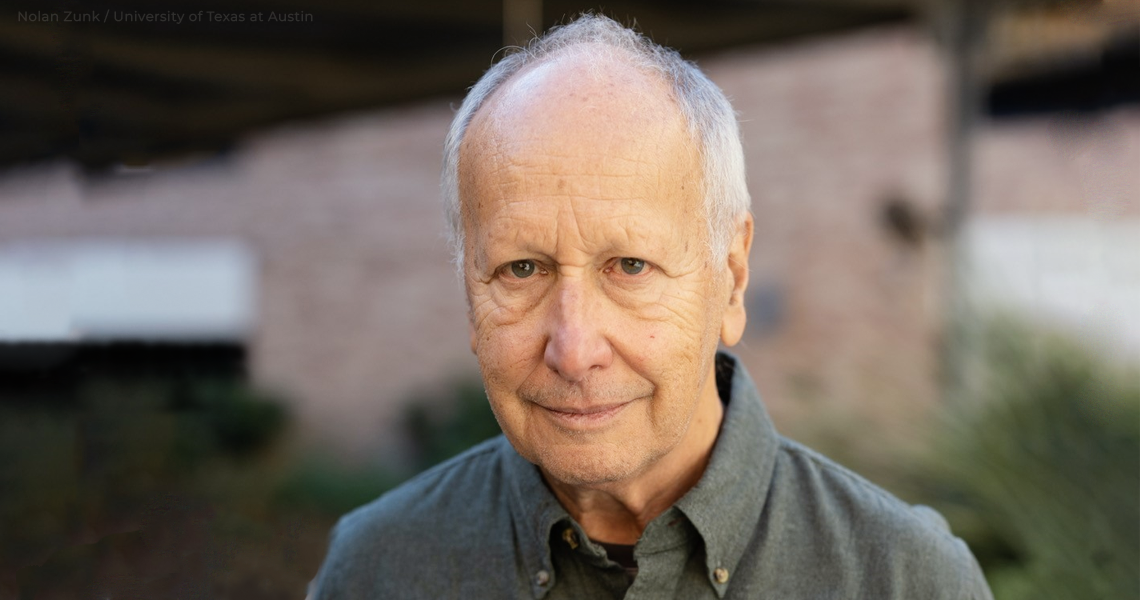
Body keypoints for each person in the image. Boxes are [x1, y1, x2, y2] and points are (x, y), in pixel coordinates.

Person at [311, 14, 993, 599]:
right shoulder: (377, 569)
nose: (574, 348)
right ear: (468, 291)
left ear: (732, 274)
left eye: (630, 266)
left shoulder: (904, 581)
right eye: (522, 269)